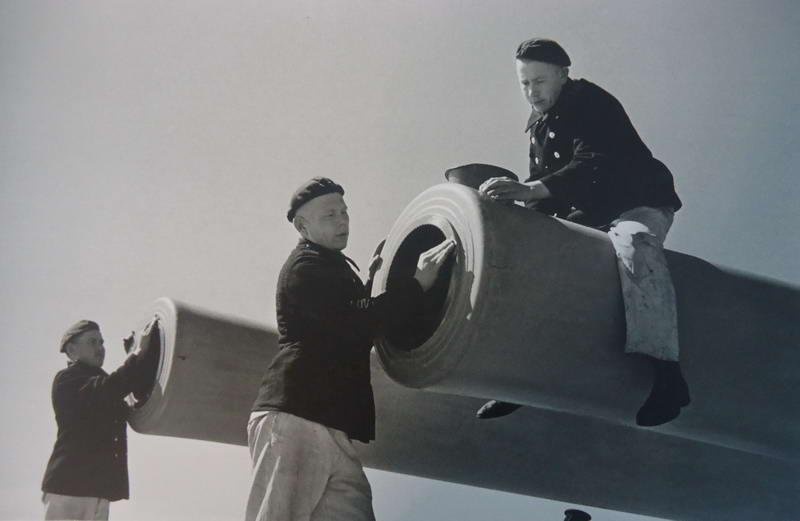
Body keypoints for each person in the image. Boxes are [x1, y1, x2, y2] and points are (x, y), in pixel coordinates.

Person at [476, 38, 690, 427]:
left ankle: (668, 375)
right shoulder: (538, 128)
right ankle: (527, 376)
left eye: (540, 81)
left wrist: (530, 190)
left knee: (634, 245)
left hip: (637, 201)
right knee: (537, 267)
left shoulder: (591, 101)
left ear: (563, 74)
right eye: (525, 84)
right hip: (588, 214)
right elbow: (541, 194)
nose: (532, 92)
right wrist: (517, 221)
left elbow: (596, 161)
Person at [246, 177, 455, 521]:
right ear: (303, 226)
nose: (342, 221)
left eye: (344, 212)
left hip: (330, 423)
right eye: (330, 215)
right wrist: (417, 285)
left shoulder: (329, 266)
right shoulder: (305, 268)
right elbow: (353, 324)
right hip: (296, 417)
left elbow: (350, 318)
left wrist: (371, 285)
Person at [41, 319, 160, 520]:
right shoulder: (67, 379)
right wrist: (138, 353)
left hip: (97, 490)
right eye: (92, 342)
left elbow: (125, 390)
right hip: (68, 488)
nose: (100, 348)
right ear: (72, 350)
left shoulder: (104, 383)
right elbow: (111, 387)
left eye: (101, 342)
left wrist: (143, 354)